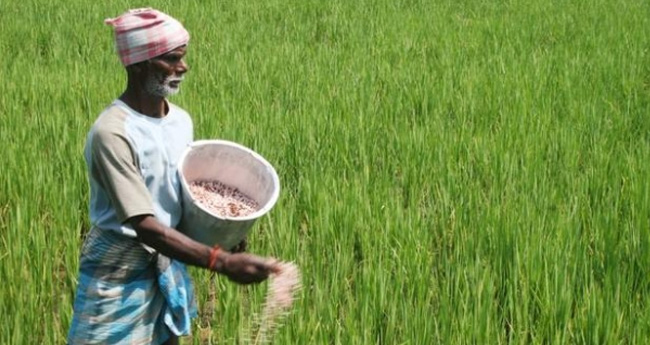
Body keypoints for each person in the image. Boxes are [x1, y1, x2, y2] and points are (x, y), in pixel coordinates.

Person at [67, 8, 278, 345]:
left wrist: (225, 232)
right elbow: (146, 225)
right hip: (119, 270)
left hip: (166, 261)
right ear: (139, 64)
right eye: (172, 59)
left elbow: (179, 199)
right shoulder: (112, 132)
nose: (184, 67)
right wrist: (221, 261)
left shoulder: (181, 121)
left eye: (183, 57)